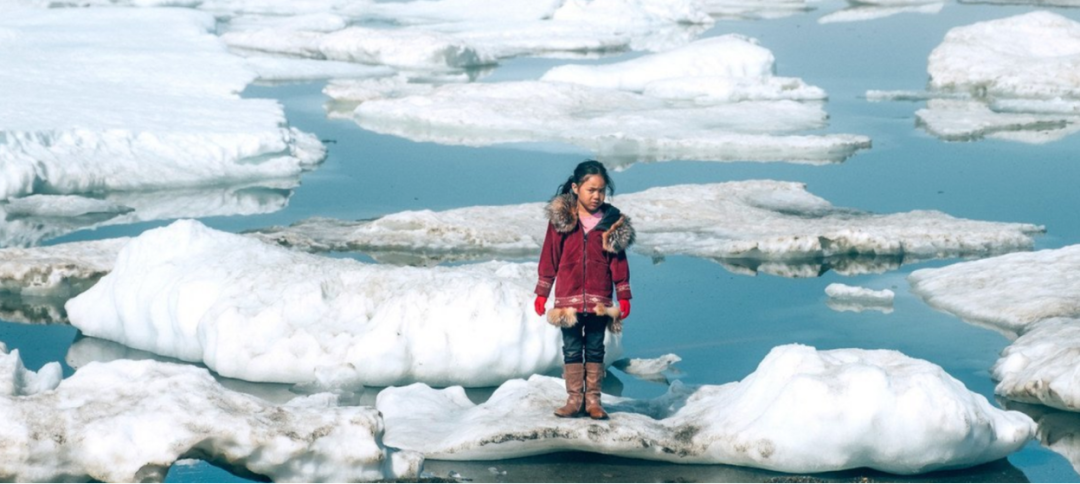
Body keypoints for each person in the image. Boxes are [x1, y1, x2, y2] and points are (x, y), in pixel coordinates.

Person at [533, 160, 634, 420]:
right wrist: (543, 290)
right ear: (576, 188)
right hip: (568, 297)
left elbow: (618, 261)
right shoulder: (562, 219)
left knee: (596, 347)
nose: (596, 196)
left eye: (601, 190)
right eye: (591, 190)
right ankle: (574, 399)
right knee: (572, 347)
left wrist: (623, 294)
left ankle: (593, 401)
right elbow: (549, 256)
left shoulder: (612, 222)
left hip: (600, 297)